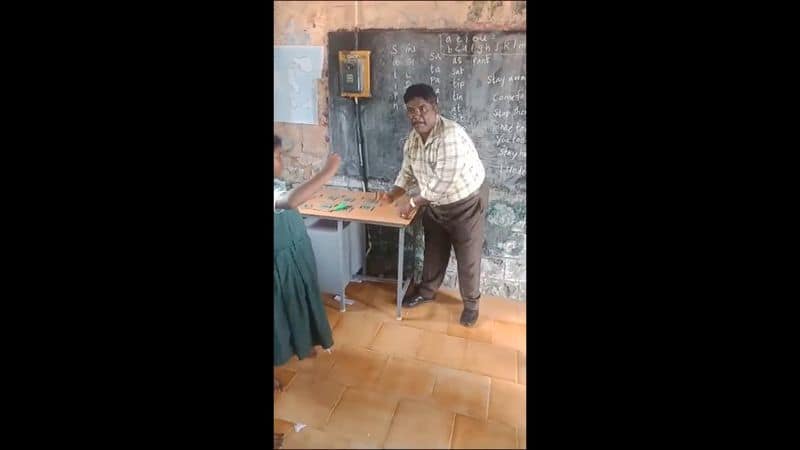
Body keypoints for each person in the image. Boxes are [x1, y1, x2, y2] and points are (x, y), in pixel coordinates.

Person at [380, 84, 488, 327]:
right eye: (411, 111)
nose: (416, 115)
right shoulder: (413, 138)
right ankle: (426, 291)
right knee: (434, 251)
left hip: (466, 201)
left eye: (422, 108)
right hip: (435, 203)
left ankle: (471, 304)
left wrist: (411, 202)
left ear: (435, 108)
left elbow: (442, 182)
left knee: (468, 257)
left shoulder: (451, 136)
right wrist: (392, 194)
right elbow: (407, 171)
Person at [273, 134, 340, 369]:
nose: (282, 161)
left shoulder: (277, 183)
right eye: (277, 156)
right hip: (279, 262)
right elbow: (290, 201)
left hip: (294, 256)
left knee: (300, 300)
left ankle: (303, 343)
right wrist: (327, 171)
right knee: (279, 313)